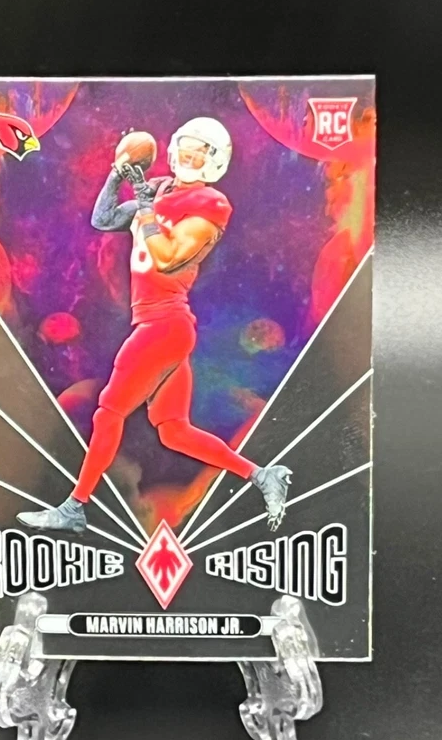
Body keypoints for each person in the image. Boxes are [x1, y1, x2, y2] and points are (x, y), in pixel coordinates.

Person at [17, 117, 291, 534]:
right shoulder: (161, 189)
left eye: (201, 151)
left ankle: (74, 508)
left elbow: (166, 257)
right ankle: (262, 476)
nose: (190, 156)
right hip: (161, 324)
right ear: (174, 146)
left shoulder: (210, 203)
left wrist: (145, 208)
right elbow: (104, 219)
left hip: (163, 325)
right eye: (187, 146)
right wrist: (117, 175)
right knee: (174, 431)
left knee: (109, 411)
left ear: (215, 161)